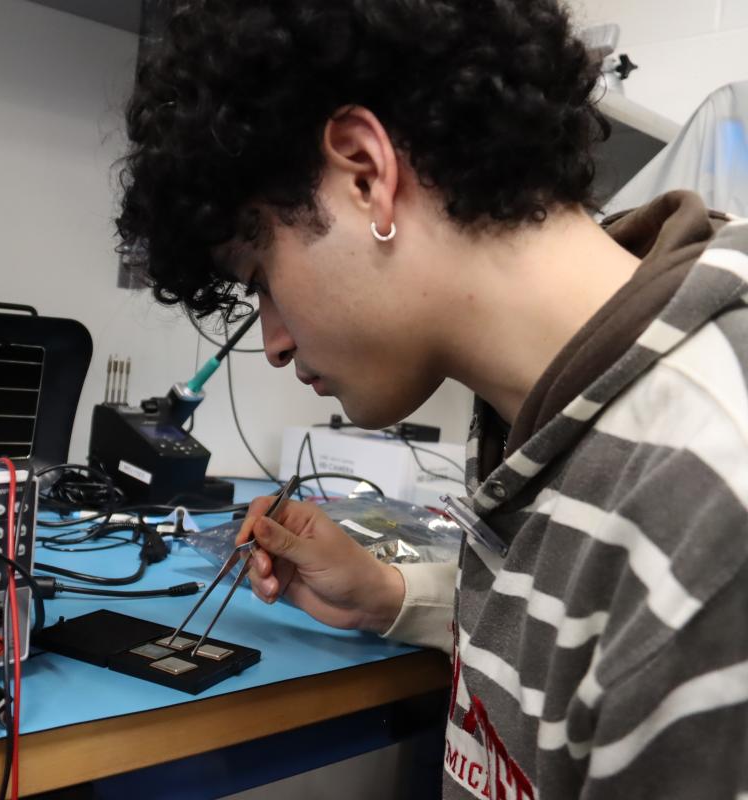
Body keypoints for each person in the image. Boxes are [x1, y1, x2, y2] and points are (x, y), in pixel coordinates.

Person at [114, 2, 748, 798]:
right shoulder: (557, 411)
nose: (273, 341)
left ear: (365, 175)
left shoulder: (713, 491)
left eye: (261, 279)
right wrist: (390, 595)